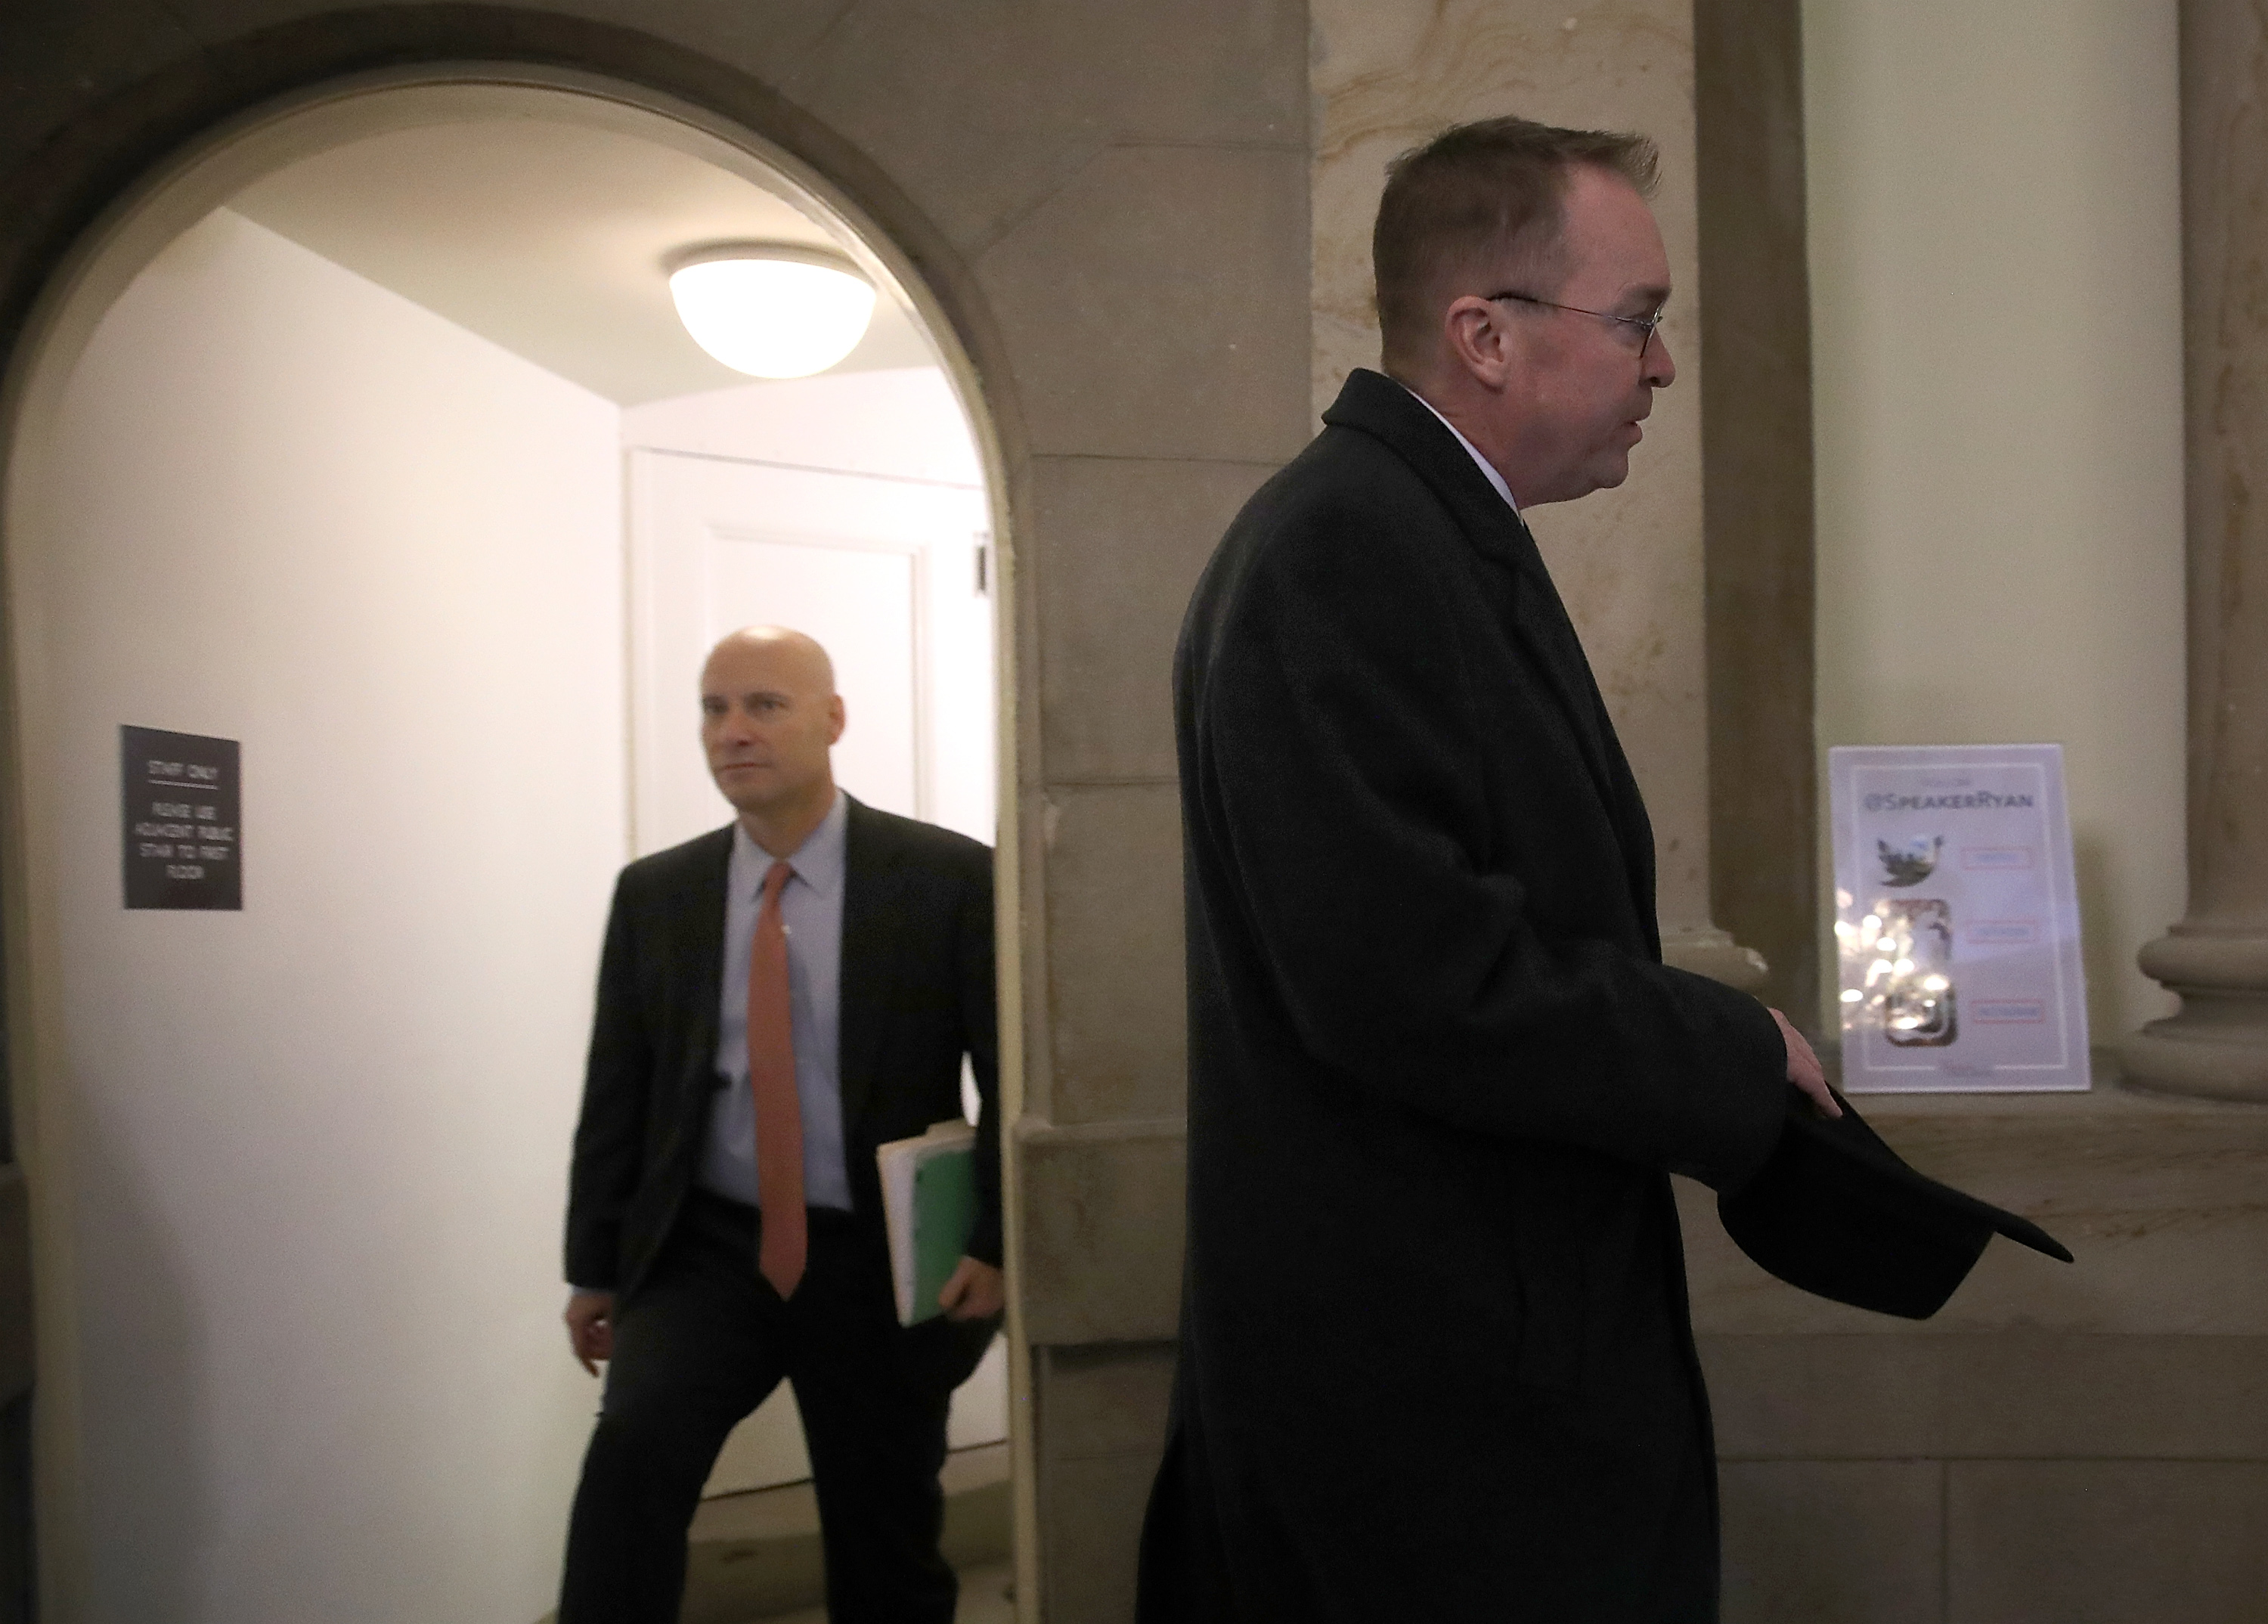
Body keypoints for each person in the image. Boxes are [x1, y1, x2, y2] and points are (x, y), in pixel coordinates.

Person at [1136, 116, 1838, 1622]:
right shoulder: (1346, 549)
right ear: (1487, 336)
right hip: (1423, 1419)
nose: (1661, 366)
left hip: (1473, 1377)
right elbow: (1416, 985)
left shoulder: (1432, 534)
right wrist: (1730, 1048)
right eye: (1638, 323)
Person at [556, 625, 1003, 1624]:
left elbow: (1009, 1068)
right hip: (711, 1252)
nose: (734, 732)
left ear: (833, 719)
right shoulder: (658, 895)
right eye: (715, 709)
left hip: (879, 1259)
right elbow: (616, 1093)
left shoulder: (947, 879)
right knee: (632, 1457)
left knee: (884, 1531)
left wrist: (998, 1240)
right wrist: (595, 1265)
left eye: (766, 705)